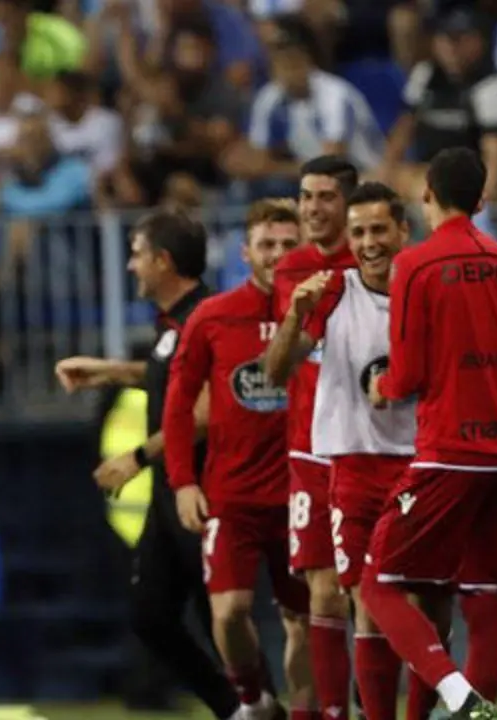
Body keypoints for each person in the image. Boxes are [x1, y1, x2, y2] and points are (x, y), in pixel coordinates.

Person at [361, 148, 497, 720]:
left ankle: (457, 695)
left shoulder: (416, 264)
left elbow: (406, 375)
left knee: (378, 584)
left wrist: (381, 385)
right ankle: (478, 707)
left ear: (426, 194)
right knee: (485, 602)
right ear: (481, 201)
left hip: (449, 454)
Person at [55, 211, 243, 720]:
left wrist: (137, 457)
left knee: (220, 619)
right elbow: (171, 375)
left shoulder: (205, 318)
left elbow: (203, 411)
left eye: (137, 254)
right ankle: (238, 708)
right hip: (169, 494)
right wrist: (110, 372)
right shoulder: (173, 324)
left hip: (198, 491)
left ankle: (252, 705)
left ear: (163, 261)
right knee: (151, 616)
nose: (130, 265)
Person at [264, 182, 419, 720]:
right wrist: (293, 315)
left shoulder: (425, 291)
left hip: (418, 465)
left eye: (379, 230)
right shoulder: (331, 293)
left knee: (417, 601)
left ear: (403, 230)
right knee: (351, 595)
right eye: (359, 233)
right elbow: (275, 372)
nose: (369, 242)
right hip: (351, 465)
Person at [163, 200, 312, 720]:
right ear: (245, 252)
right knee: (228, 612)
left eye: (289, 244)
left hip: (302, 495)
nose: (278, 254)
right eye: (267, 244)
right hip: (233, 495)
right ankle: (253, 699)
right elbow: (179, 404)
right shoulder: (212, 316)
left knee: (304, 619)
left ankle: (305, 712)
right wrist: (183, 481)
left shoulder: (322, 312)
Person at [261, 154, 360, 720]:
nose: (313, 208)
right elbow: (278, 369)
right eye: (306, 196)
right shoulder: (293, 270)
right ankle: (334, 712)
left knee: (379, 592)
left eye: (325, 196)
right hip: (310, 447)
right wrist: (297, 314)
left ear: (348, 202)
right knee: (323, 590)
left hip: (372, 446)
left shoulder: (373, 261)